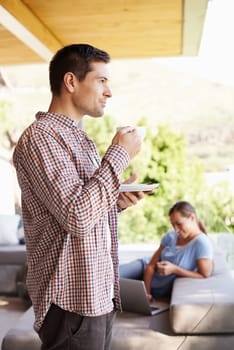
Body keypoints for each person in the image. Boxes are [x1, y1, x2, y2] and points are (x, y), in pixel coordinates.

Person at [13, 44, 147, 350]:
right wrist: (119, 155)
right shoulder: (41, 137)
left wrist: (115, 203)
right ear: (71, 82)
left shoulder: (80, 139)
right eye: (101, 81)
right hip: (69, 302)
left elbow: (79, 208)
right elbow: (76, 216)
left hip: (96, 295)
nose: (109, 92)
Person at [143, 201, 213, 300]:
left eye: (179, 224)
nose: (176, 230)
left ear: (192, 218)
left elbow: (204, 274)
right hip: (143, 269)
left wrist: (175, 269)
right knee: (114, 277)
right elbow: (150, 265)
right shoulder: (171, 235)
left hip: (156, 286)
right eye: (173, 225)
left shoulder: (202, 243)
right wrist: (146, 293)